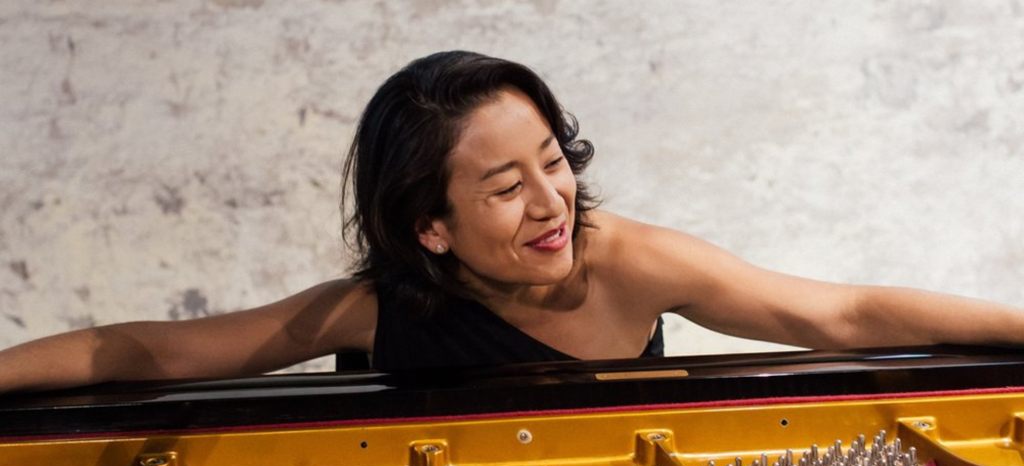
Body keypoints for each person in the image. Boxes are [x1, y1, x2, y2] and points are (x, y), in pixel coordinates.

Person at [2, 50, 1023, 394]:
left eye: (553, 161)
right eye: (504, 187)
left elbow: (843, 317)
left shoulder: (633, 262)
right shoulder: (376, 309)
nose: (552, 202)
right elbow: (155, 351)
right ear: (430, 226)